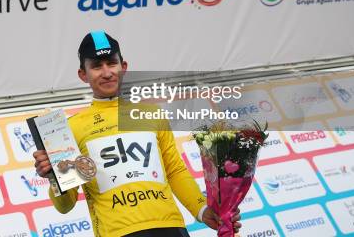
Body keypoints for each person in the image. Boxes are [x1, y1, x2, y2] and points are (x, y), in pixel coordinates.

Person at [33, 31, 241, 237]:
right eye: (97, 66)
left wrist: (201, 210)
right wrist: (54, 177)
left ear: (123, 68)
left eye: (111, 63)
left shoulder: (152, 114)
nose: (106, 72)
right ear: (83, 74)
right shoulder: (69, 130)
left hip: (170, 227)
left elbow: (174, 171)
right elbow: (65, 205)